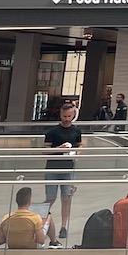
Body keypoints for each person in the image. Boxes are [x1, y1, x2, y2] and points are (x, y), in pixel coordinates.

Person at [42, 101, 83, 241]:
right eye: (65, 116)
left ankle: (64, 226)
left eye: (69, 116)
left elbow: (80, 145)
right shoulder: (53, 132)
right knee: (50, 198)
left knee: (66, 198)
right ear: (61, 115)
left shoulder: (76, 131)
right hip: (53, 168)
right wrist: (58, 149)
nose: (67, 119)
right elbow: (45, 150)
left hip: (69, 168)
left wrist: (77, 152)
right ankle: (39, 222)